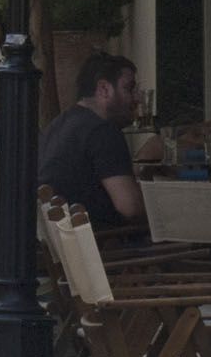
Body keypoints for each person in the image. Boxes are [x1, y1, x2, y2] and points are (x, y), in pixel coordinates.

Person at [39, 52, 143, 228]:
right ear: (104, 89)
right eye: (129, 88)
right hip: (109, 246)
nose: (137, 98)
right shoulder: (102, 131)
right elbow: (131, 208)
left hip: (69, 245)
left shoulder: (59, 124)